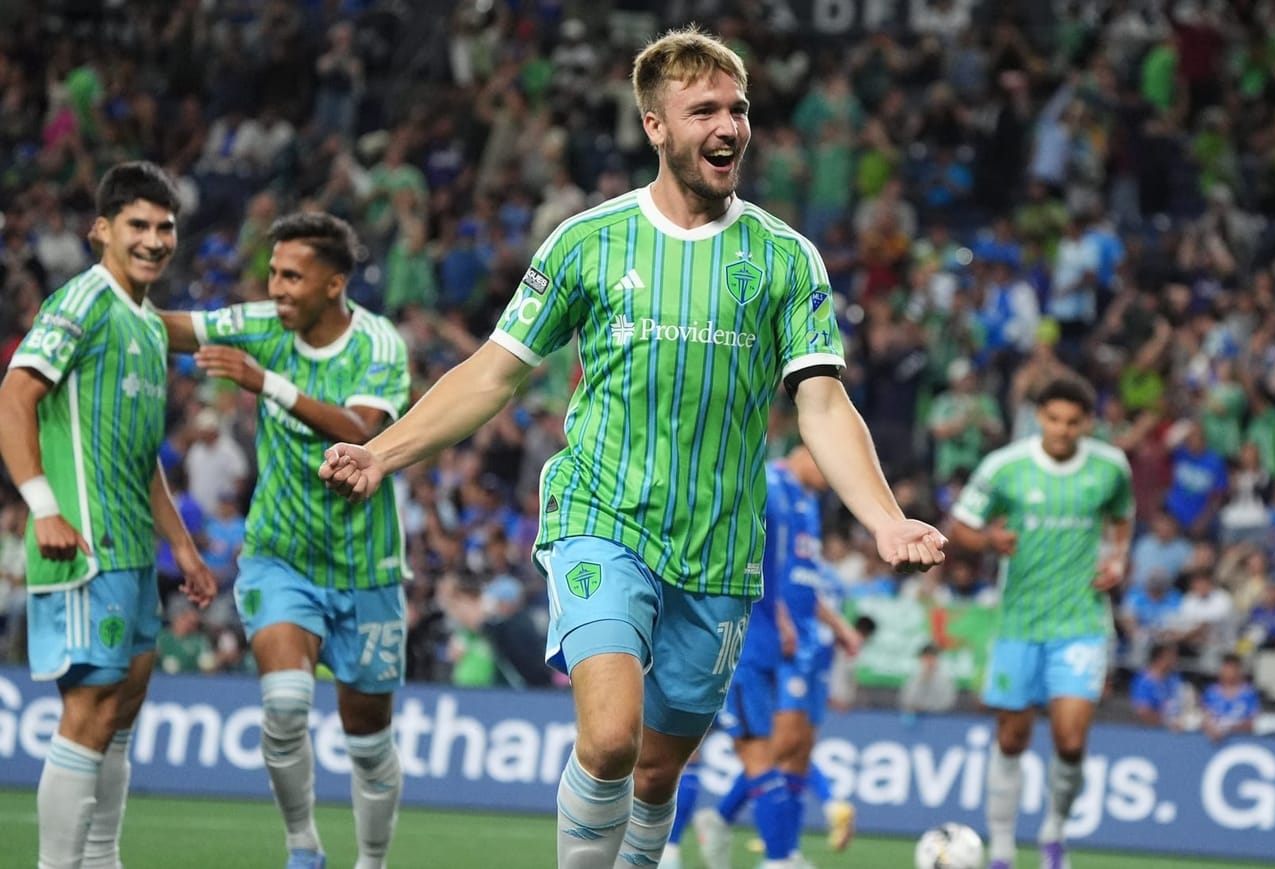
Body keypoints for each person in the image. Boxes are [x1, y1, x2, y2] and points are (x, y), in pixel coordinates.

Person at [320, 27, 946, 869]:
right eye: (705, 111)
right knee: (611, 738)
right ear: (655, 126)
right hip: (602, 517)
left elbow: (823, 404)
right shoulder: (587, 243)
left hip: (720, 546)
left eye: (739, 109)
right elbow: (494, 373)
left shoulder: (786, 258)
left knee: (657, 770)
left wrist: (883, 515)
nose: (729, 127)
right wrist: (384, 452)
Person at [158, 212, 411, 869]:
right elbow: (175, 327)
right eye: (272, 272)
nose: (277, 287)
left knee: (368, 739)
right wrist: (107, 302)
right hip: (281, 558)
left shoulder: (378, 343)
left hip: (365, 569)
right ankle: (303, 847)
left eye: (292, 275)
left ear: (334, 284)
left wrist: (264, 382)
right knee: (285, 704)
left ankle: (372, 861)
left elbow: (362, 427)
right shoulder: (263, 325)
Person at [0, 160, 216, 869]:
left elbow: (140, 453)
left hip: (132, 549)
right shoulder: (81, 302)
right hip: (82, 545)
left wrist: (180, 548)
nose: (155, 239)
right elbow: (15, 395)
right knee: (90, 709)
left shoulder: (150, 326)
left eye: (165, 226)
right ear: (102, 231)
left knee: (123, 708)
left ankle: (101, 857)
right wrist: (43, 508)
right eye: (138, 225)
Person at [948, 374, 1133, 869]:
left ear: (1087, 424)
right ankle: (1003, 850)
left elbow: (1121, 517)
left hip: (1081, 622)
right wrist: (989, 541)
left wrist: (1118, 559)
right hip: (1018, 623)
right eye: (1053, 419)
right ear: (1038, 418)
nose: (1062, 430)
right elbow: (958, 527)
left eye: (1073, 422)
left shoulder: (1110, 467)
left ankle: (1054, 832)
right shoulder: (1004, 467)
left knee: (1071, 740)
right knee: (1011, 737)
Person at [690, 445, 864, 869]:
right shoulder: (769, 483)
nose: (832, 478)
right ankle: (769, 848)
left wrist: (837, 626)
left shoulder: (807, 500)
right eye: (828, 463)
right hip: (770, 634)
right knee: (777, 743)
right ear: (807, 450)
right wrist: (781, 617)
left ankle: (780, 847)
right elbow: (762, 565)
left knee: (798, 744)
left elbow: (802, 577)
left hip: (802, 639)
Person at [1200, 653, 1260, 742]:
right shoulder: (1211, 692)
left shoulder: (1249, 694)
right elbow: (1204, 717)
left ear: (1238, 670)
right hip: (1214, 738)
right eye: (1225, 668)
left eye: (1231, 668)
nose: (1228, 672)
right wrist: (1210, 727)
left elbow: (1251, 723)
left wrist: (1227, 729)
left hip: (1241, 740)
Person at [1128, 642, 1186, 729]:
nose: (1176, 659)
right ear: (1161, 657)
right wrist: (1167, 723)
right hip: (1153, 732)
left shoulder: (1175, 679)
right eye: (1172, 656)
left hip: (1178, 729)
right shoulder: (1143, 681)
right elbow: (1142, 711)